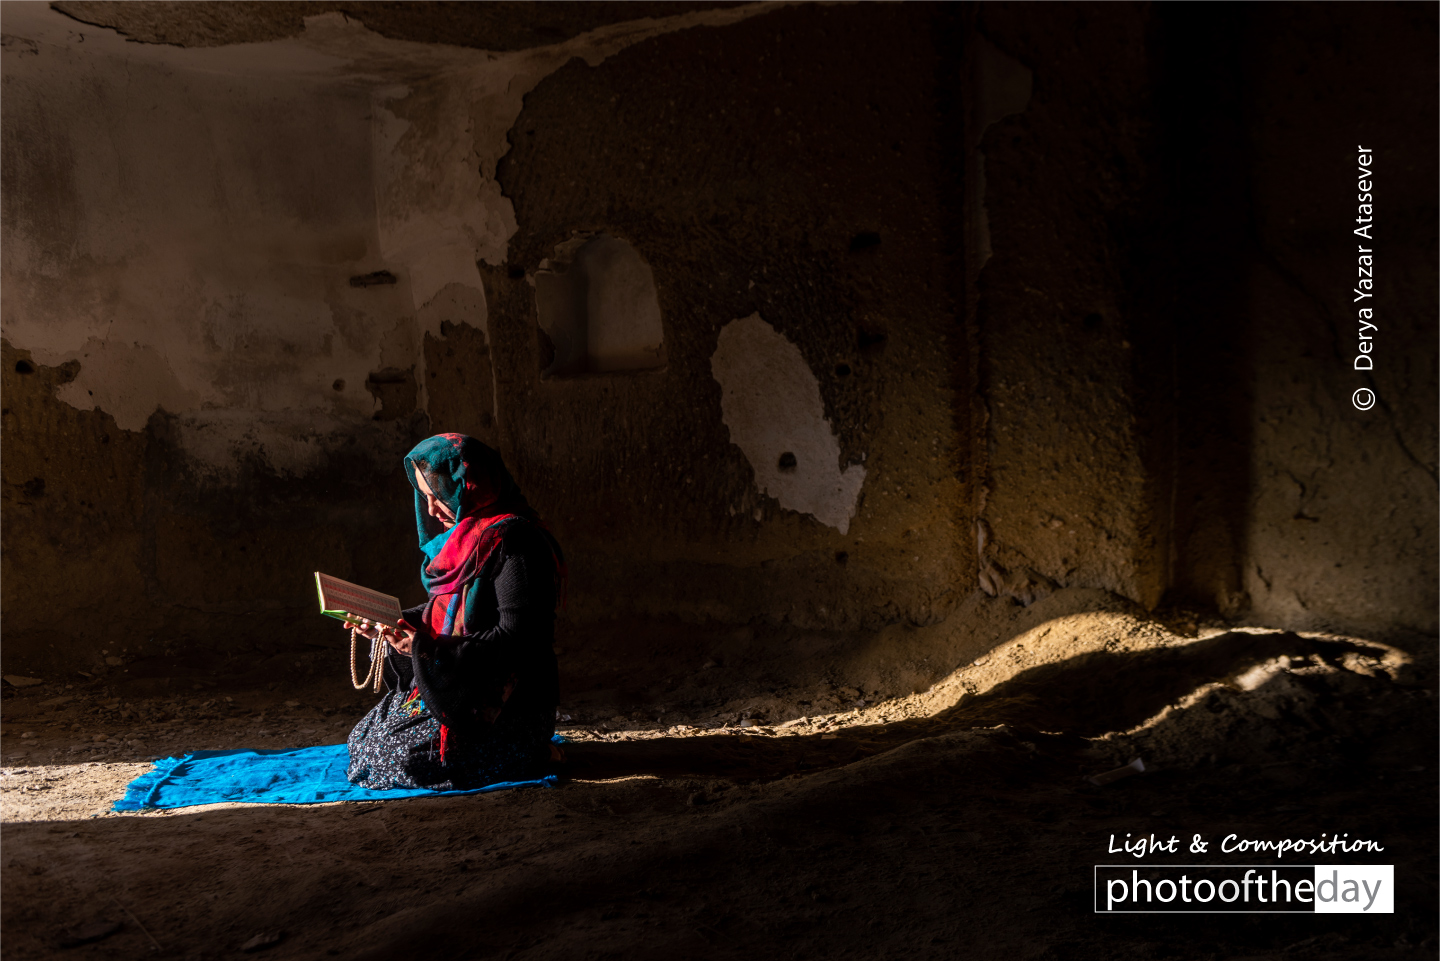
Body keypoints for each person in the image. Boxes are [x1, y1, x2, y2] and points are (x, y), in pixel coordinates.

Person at [345, 433, 565, 790]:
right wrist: (393, 625)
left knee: (398, 760)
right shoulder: (464, 539)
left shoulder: (518, 544)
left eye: (440, 496)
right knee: (363, 742)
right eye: (425, 497)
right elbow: (449, 612)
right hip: (465, 682)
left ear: (470, 487)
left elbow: (517, 640)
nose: (431, 509)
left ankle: (532, 752)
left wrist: (425, 648)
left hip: (507, 704)